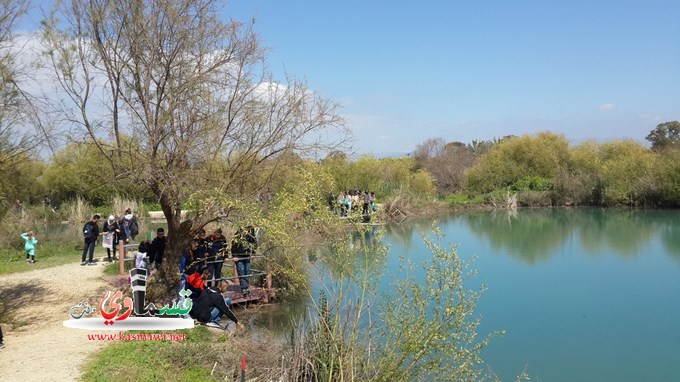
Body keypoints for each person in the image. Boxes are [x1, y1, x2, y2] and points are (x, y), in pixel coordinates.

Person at [231, 226, 257, 296]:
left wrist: (253, 254)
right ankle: (244, 290)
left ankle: (246, 288)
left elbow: (255, 244)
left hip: (247, 257)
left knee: (247, 273)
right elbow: (233, 246)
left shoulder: (250, 236)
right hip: (239, 258)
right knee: (241, 273)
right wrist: (234, 256)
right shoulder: (237, 236)